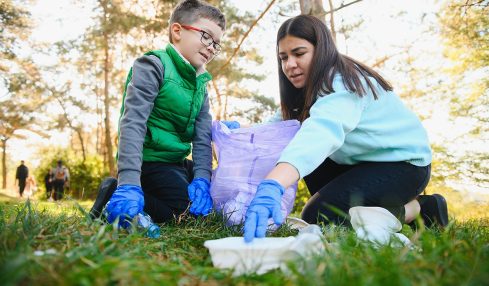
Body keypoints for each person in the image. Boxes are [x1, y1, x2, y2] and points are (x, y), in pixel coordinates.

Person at [242, 15, 448, 242]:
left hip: (404, 166)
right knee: (299, 143)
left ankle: (420, 208)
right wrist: (237, 132)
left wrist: (273, 184)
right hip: (358, 164)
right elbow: (278, 128)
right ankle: (367, 212)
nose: (290, 64)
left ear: (320, 50)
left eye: (299, 54)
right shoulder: (306, 89)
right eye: (284, 57)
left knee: (321, 215)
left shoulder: (342, 83)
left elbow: (320, 134)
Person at [89, 0, 226, 228]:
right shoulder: (153, 65)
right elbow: (132, 124)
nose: (211, 47)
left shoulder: (200, 85)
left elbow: (202, 138)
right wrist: (129, 182)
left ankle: (163, 197)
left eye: (216, 43)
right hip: (150, 162)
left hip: (177, 162)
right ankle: (114, 193)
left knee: (213, 200)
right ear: (177, 31)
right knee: (185, 216)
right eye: (206, 36)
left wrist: (202, 178)